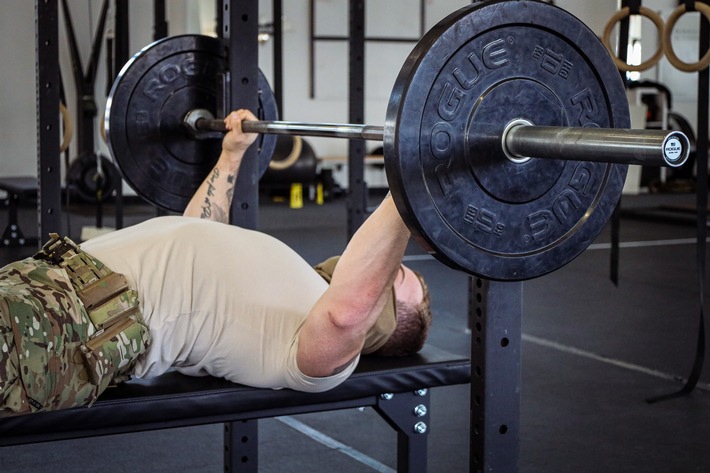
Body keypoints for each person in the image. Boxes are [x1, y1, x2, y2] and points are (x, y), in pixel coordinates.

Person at [0, 110, 431, 417]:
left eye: (397, 277)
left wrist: (408, 176)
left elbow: (346, 314)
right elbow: (198, 233)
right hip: (42, 278)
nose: (391, 267)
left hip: (69, 330)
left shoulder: (327, 358)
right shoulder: (293, 277)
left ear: (385, 318)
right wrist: (231, 154)